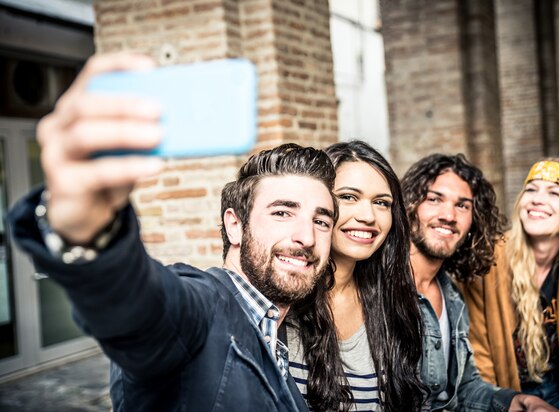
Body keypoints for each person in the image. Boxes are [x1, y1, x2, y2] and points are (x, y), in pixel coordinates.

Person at [8, 53, 338, 411]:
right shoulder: (200, 311)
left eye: (321, 220)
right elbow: (140, 308)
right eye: (282, 212)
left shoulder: (274, 333)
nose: (306, 236)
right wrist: (89, 232)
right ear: (235, 225)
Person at [460, 158, 559, 411]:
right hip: (510, 394)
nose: (536, 199)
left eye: (554, 192)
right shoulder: (488, 260)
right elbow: (480, 361)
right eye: (531, 189)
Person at [401, 153, 557, 411]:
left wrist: (514, 401)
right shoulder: (378, 289)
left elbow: (461, 389)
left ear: (474, 221)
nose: (449, 215)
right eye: (434, 199)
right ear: (409, 204)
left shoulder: (451, 297)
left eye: (462, 205)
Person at [285, 141, 427, 411]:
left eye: (381, 203)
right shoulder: (282, 302)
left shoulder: (395, 305)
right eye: (349, 197)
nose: (368, 216)